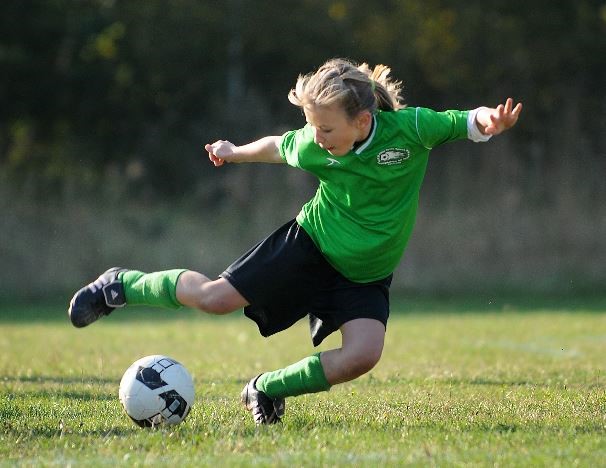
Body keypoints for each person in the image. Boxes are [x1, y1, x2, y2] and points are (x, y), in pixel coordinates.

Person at [68, 58, 523, 425]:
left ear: (363, 119)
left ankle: (265, 389)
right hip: (308, 247)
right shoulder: (313, 143)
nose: (317, 138)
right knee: (215, 298)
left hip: (365, 275)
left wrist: (491, 120)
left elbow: (464, 120)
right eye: (313, 127)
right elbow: (276, 145)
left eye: (326, 129)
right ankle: (120, 285)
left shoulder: (412, 130)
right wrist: (234, 152)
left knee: (363, 356)